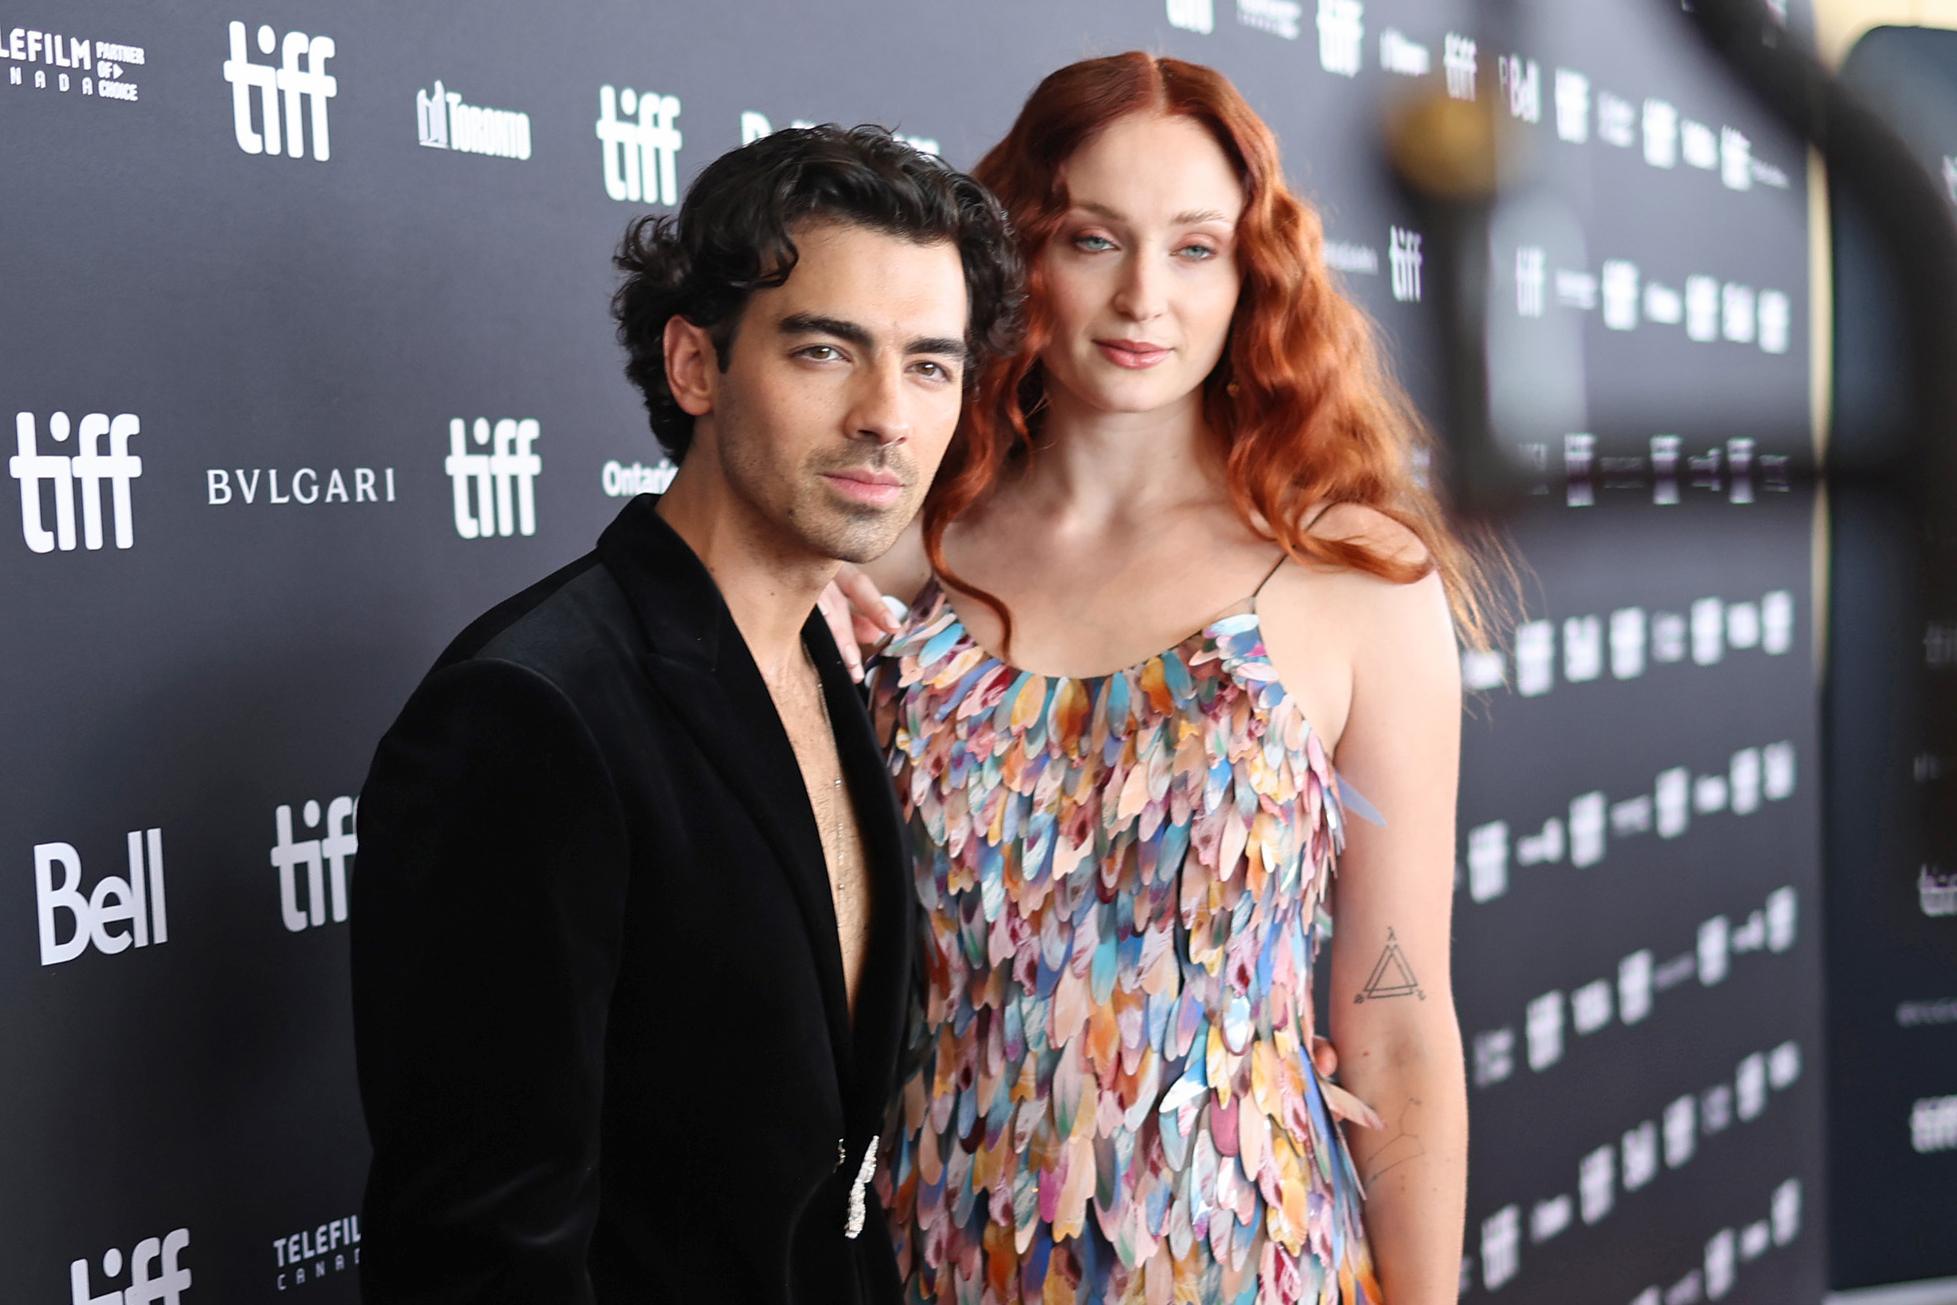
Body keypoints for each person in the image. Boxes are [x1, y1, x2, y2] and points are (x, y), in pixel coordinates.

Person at [829, 55, 1489, 1305]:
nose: (1143, 297)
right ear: (1020, 253)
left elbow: (1398, 1028)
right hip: (937, 1261)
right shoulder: (892, 557)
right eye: (1093, 239)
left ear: (1252, 274)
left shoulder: (1355, 578)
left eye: (1196, 248)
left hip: (1251, 1262)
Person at [348, 124, 1020, 1304]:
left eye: (929, 365)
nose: (887, 416)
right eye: (824, 351)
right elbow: (480, 1251)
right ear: (695, 367)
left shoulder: (832, 646)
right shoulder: (530, 715)